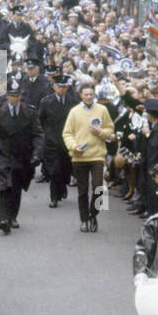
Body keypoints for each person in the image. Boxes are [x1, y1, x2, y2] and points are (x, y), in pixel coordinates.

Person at [0, 77, 42, 235]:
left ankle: (12, 216)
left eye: (17, 95)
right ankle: (3, 219)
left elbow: (37, 134)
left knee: (16, 186)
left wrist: (36, 154)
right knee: (3, 186)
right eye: (11, 95)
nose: (14, 98)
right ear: (6, 96)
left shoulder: (29, 111)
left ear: (21, 96)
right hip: (2, 153)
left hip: (21, 154)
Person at [62, 81, 115, 233]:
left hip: (97, 155)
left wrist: (101, 132)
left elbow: (110, 129)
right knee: (83, 190)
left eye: (91, 94)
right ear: (81, 95)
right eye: (86, 94)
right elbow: (67, 133)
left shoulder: (102, 109)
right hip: (79, 156)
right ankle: (84, 219)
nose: (89, 97)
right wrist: (73, 146)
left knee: (99, 188)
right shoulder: (74, 111)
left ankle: (94, 214)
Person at [38, 75, 77, 208]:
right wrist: (44, 135)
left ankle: (63, 187)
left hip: (67, 141)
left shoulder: (73, 101)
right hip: (52, 141)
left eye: (65, 86)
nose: (62, 89)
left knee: (65, 168)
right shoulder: (46, 101)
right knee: (54, 170)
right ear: (54, 86)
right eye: (59, 86)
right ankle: (54, 197)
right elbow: (40, 120)